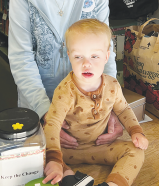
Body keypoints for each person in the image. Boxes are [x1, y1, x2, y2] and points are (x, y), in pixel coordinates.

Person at [8, 0, 122, 148]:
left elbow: (105, 52)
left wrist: (110, 107)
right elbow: (21, 59)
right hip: (39, 110)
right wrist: (48, 115)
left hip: (88, 111)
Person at [43, 19, 148, 186]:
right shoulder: (64, 90)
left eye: (94, 56)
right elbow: (53, 123)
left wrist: (136, 131)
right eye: (78, 56)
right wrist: (54, 159)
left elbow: (124, 110)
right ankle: (68, 174)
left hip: (101, 147)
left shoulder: (113, 85)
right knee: (37, 153)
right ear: (69, 55)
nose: (86, 64)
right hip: (67, 149)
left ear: (106, 56)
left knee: (137, 151)